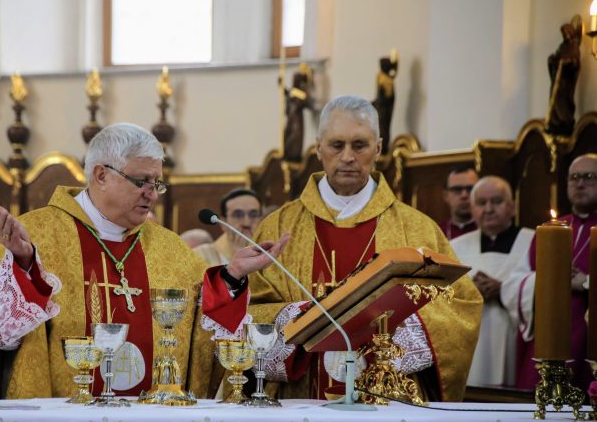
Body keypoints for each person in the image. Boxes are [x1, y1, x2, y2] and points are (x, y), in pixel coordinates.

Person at [0, 123, 287, 400]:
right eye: (142, 181)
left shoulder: (167, 247)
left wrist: (231, 275)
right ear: (100, 175)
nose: (152, 194)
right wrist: (25, 266)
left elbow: (203, 321)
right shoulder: (36, 234)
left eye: (157, 183)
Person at [202, 95, 482, 401]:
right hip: (298, 397)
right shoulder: (278, 226)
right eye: (337, 145)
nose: (348, 156)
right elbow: (249, 314)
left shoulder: (417, 229)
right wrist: (302, 318)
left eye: (359, 145)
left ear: (378, 148)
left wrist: (387, 328)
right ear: (319, 148)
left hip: (386, 400)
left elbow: (462, 307)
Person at [501, 153, 597, 390]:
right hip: (547, 335)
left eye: (589, 177)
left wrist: (587, 283)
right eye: (574, 177)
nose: (580, 183)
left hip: (589, 338)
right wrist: (549, 281)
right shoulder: (548, 230)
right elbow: (514, 283)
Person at [450, 176, 534, 387]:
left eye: (496, 201)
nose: (488, 209)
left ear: (512, 206)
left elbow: (544, 290)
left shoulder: (534, 241)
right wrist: (469, 291)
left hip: (514, 340)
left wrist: (504, 289)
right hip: (469, 345)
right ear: (472, 208)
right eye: (481, 203)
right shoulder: (454, 246)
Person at [194, 189, 262, 266]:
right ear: (223, 223)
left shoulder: (270, 254)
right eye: (238, 215)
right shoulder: (201, 256)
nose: (246, 222)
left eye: (253, 215)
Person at [439, 165, 479, 240]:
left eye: (470, 189)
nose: (464, 195)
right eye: (457, 189)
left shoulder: (491, 230)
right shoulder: (437, 233)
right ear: (446, 195)